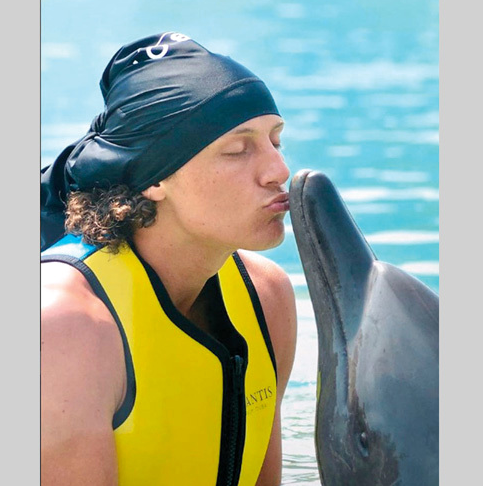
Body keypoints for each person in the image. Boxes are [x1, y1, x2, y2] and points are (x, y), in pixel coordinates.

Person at [40, 32, 297, 486]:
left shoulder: (266, 295)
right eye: (237, 150)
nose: (279, 171)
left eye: (276, 141)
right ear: (155, 178)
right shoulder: (66, 326)